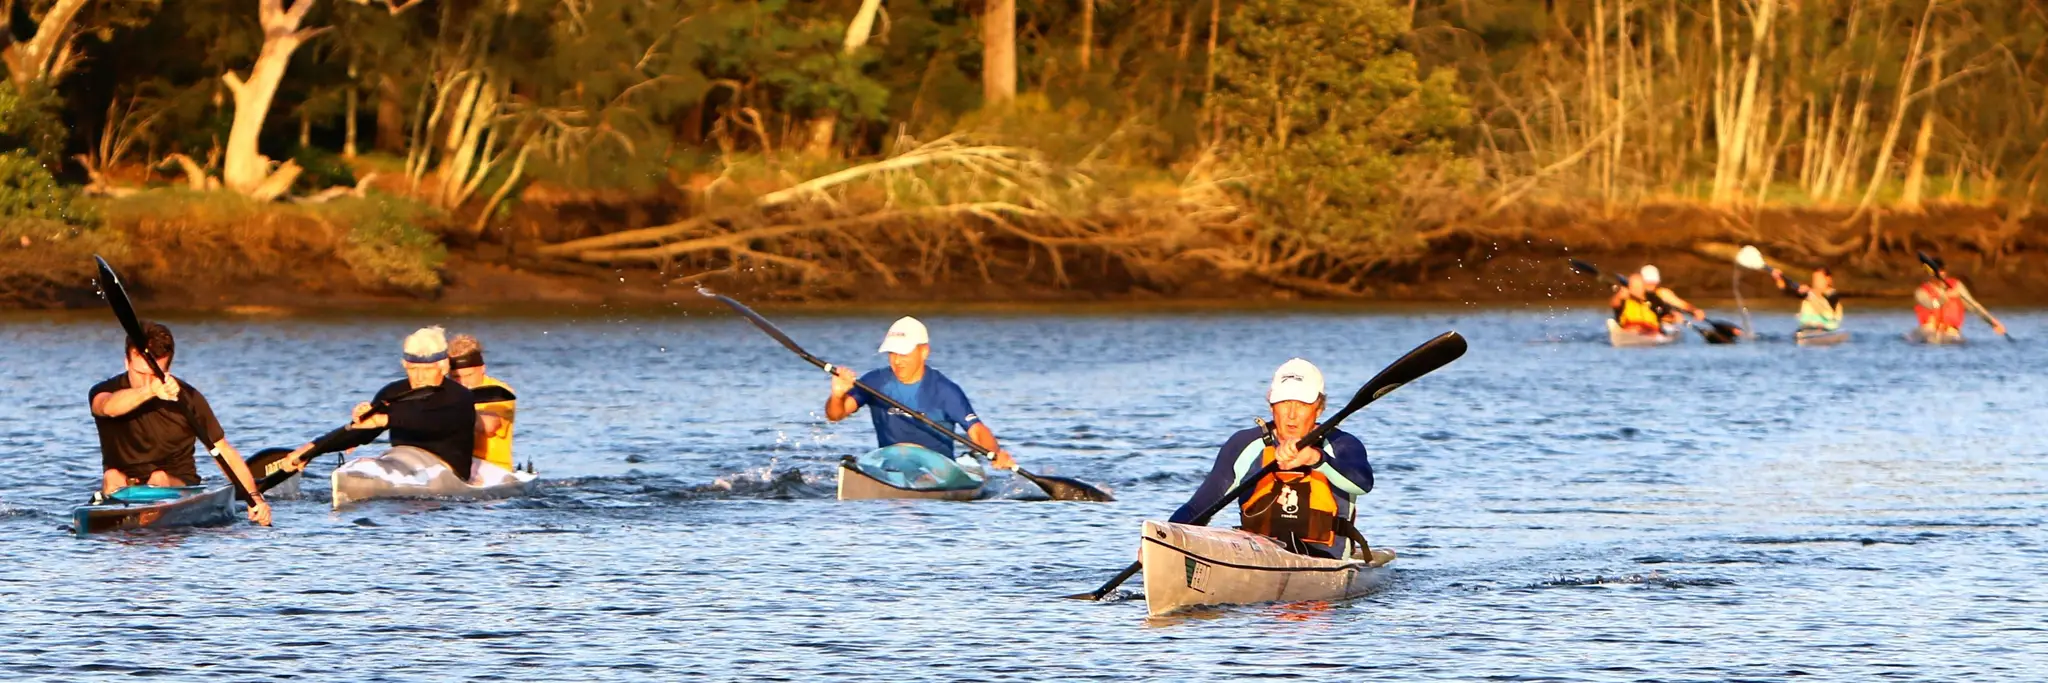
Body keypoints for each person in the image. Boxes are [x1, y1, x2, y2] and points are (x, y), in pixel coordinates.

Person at [1168, 359, 1376, 560]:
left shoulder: (1342, 444)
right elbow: (1198, 508)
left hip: (1324, 559)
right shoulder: (1244, 445)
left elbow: (1363, 484)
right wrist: (1165, 543)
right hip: (1259, 557)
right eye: (1284, 402)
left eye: (1302, 404)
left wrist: (1316, 459)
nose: (1292, 415)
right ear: (1271, 405)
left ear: (1319, 408)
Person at [90, 321, 271, 525]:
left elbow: (223, 451)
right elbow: (106, 407)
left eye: (154, 375)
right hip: (123, 486)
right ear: (126, 362)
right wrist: (150, 391)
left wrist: (254, 498)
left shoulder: (189, 399)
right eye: (140, 374)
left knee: (159, 478)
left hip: (177, 484)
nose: (147, 381)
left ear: (167, 369)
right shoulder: (104, 391)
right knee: (112, 477)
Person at [281, 326, 481, 481]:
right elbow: (361, 432)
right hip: (403, 464)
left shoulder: (460, 397)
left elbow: (431, 421)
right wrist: (311, 450)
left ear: (443, 366)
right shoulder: (393, 392)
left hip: (449, 475)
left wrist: (385, 419)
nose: (419, 377)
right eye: (412, 369)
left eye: (427, 369)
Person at [826, 316, 1017, 471]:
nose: (897, 361)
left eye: (904, 354)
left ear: (924, 351)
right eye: (892, 353)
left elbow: (977, 431)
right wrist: (837, 395)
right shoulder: (875, 382)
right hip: (890, 467)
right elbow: (836, 415)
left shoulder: (944, 390)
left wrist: (995, 452)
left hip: (937, 471)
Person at [448, 334, 516, 477]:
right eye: (456, 377)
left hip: (493, 468)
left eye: (469, 375)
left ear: (482, 369)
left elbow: (490, 426)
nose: (463, 383)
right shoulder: (445, 391)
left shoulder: (500, 392)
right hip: (455, 464)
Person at [1914, 255, 2006, 338]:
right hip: (1930, 329)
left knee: (1951, 331)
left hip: (1950, 331)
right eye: (1936, 271)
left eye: (1941, 270)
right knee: (1929, 327)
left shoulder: (1957, 286)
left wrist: (1992, 322)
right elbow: (1932, 305)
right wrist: (1945, 297)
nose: (1939, 273)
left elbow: (1973, 306)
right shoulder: (1921, 292)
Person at [1770, 266, 1844, 332]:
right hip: (1808, 328)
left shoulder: (1833, 294)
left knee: (1812, 298)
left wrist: (1809, 292)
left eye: (1819, 279)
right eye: (1814, 279)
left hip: (1827, 327)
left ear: (1828, 279)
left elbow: (1828, 299)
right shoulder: (1808, 292)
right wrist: (1779, 278)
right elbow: (1786, 290)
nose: (1815, 282)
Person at [1640, 265, 1712, 326]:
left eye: (1653, 283)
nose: (1651, 286)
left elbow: (1681, 304)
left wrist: (1694, 310)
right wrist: (1671, 319)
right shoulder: (1636, 295)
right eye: (1648, 283)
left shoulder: (1662, 293)